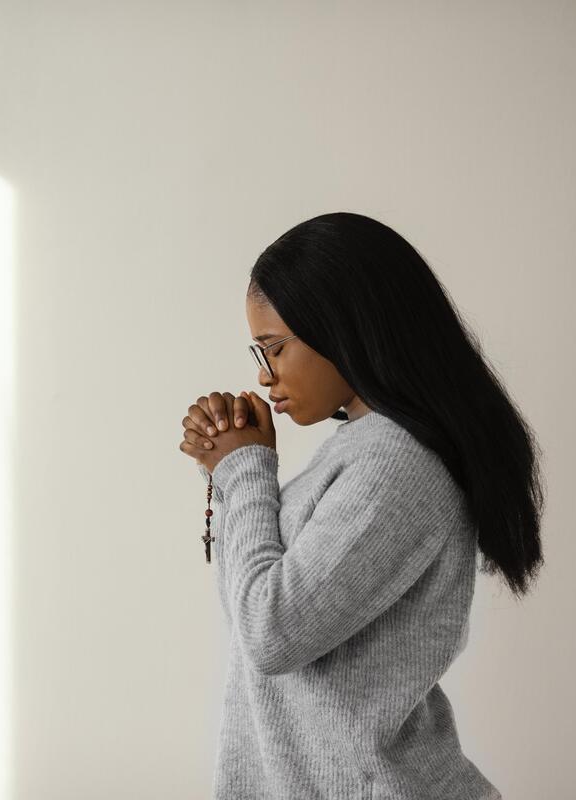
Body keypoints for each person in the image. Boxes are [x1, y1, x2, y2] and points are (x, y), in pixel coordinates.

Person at [178, 212, 540, 798]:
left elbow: (273, 635)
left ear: (345, 327)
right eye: (258, 354)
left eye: (274, 348)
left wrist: (244, 472)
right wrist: (228, 466)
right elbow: (258, 624)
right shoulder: (362, 450)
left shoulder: (399, 463)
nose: (266, 377)